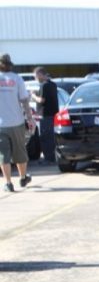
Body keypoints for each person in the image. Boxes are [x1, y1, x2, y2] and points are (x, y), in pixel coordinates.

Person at [0, 53, 35, 192]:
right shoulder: (17, 79)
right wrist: (30, 118)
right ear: (10, 65)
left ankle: (8, 183)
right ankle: (22, 178)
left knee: (3, 155)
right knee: (20, 151)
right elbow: (24, 100)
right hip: (16, 122)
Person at [30, 66, 58, 163]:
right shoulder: (53, 84)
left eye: (35, 76)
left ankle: (48, 159)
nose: (35, 78)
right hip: (54, 115)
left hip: (46, 115)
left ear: (40, 75)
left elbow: (42, 100)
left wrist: (33, 95)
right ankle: (53, 157)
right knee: (51, 137)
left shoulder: (44, 85)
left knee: (45, 138)